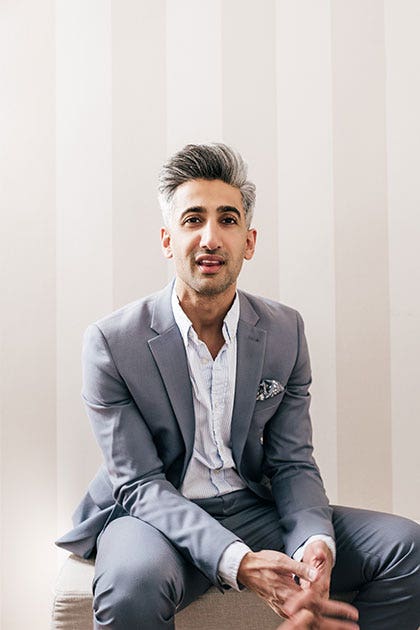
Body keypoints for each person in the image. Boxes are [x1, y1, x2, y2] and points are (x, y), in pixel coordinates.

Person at [56, 143, 420, 629]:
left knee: (405, 546)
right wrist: (239, 562)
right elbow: (139, 484)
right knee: (132, 586)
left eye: (227, 220)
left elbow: (291, 460)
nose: (211, 238)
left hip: (251, 504)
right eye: (193, 220)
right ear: (168, 240)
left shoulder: (284, 330)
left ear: (249, 241)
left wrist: (314, 543)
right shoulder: (112, 342)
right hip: (154, 517)